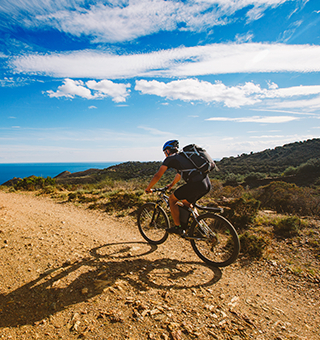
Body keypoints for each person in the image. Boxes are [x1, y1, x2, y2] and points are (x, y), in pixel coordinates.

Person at [145, 140, 212, 234]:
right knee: (187, 202)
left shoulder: (171, 158)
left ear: (167, 151)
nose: (165, 154)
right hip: (206, 184)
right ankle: (200, 227)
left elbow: (158, 175)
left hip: (195, 185)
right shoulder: (184, 157)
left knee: (172, 200)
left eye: (164, 152)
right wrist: (171, 185)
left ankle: (178, 227)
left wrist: (148, 188)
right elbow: (179, 174)